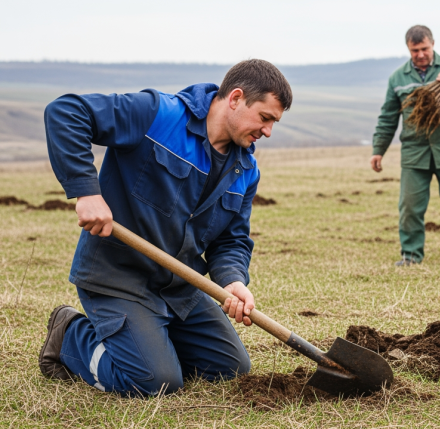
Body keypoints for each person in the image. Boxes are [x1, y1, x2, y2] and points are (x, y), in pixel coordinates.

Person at [38, 59, 293, 397]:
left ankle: (152, 342)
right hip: (120, 279)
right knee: (154, 384)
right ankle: (70, 335)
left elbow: (231, 239)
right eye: (265, 118)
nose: (268, 131)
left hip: (180, 287)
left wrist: (233, 280)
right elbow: (66, 112)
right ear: (235, 98)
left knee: (231, 369)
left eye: (274, 122)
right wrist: (86, 192)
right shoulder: (157, 115)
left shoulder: (245, 170)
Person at [370, 25, 440, 266]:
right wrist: (378, 150)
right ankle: (410, 256)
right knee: (410, 207)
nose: (420, 54)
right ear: (408, 49)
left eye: (424, 49)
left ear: (433, 44)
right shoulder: (397, 78)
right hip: (414, 152)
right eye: (414, 50)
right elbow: (388, 116)